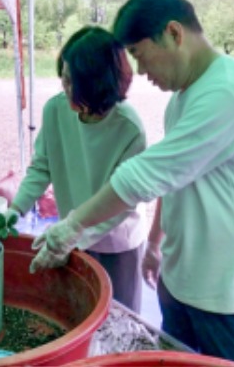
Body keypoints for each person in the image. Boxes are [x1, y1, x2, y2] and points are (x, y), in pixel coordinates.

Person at [29, 0, 234, 367]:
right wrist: (154, 243)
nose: (140, 71)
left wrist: (72, 226)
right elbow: (174, 178)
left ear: (174, 34)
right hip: (183, 282)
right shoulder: (184, 97)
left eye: (139, 54)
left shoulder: (228, 93)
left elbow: (144, 176)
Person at [14, 26, 147, 313]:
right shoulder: (55, 110)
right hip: (70, 232)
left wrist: (75, 234)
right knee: (77, 312)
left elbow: (125, 200)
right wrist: (14, 211)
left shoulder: (129, 128)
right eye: (64, 82)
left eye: (78, 87)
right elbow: (41, 167)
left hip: (116, 241)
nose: (69, 96)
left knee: (120, 318)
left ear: (103, 86)